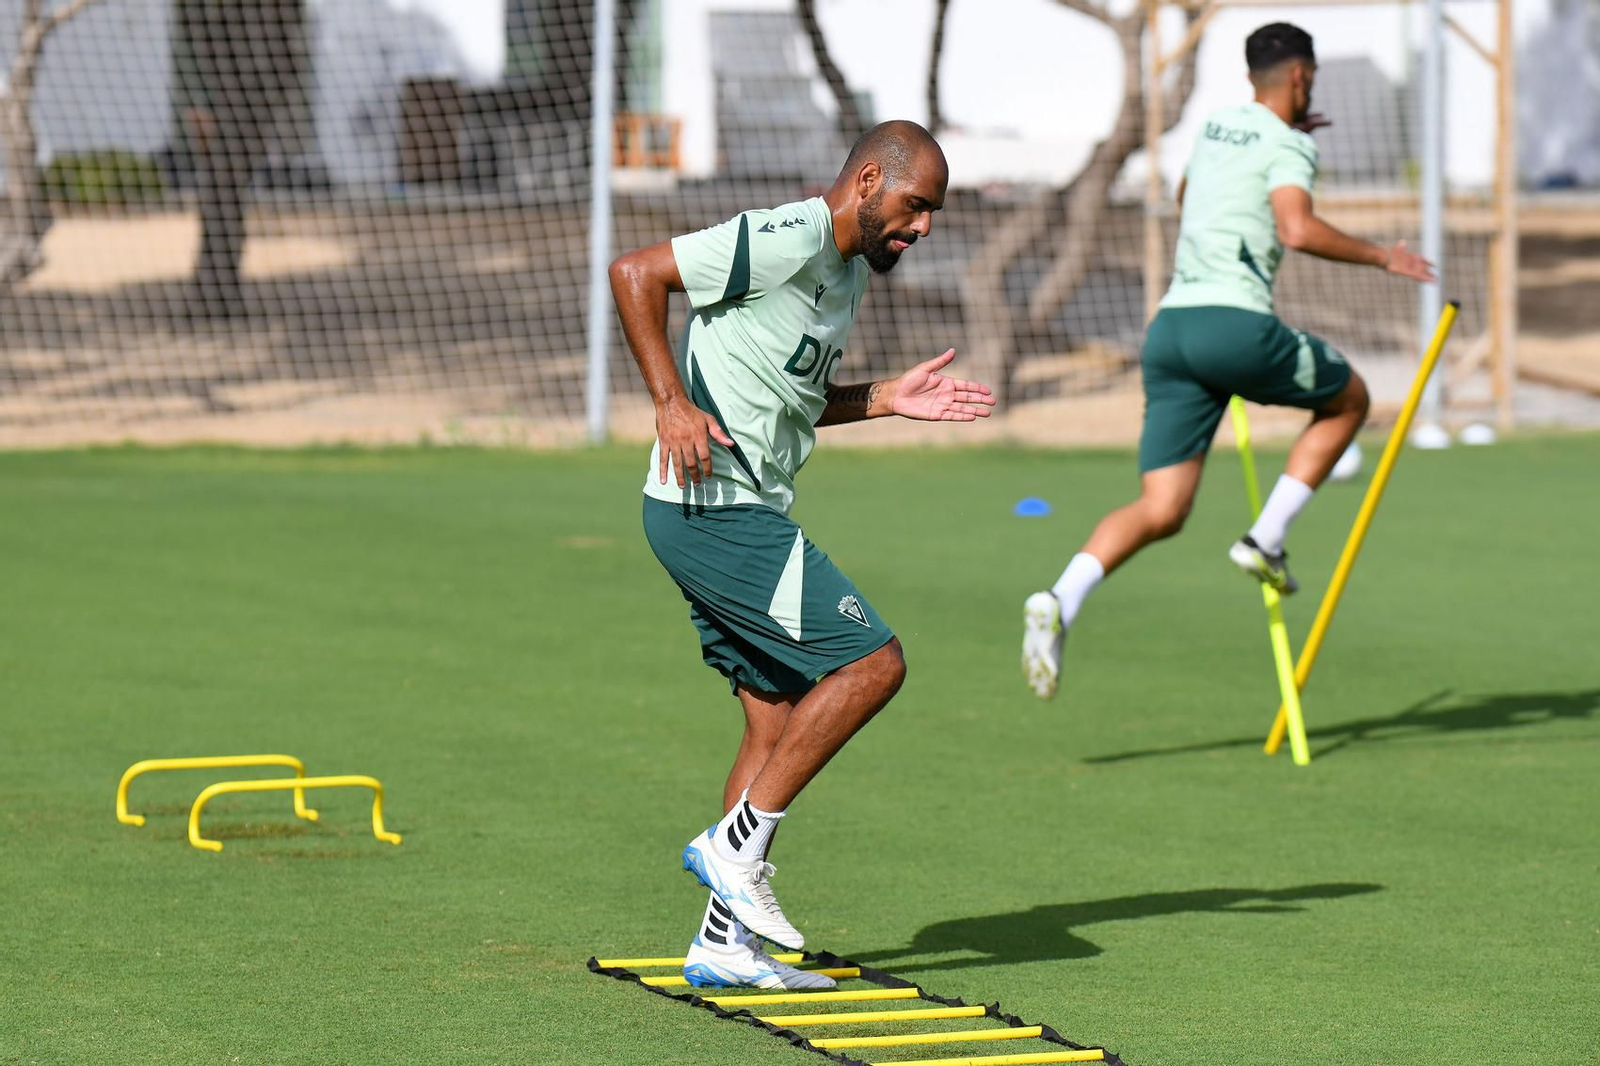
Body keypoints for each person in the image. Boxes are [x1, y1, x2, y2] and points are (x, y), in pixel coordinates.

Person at [610, 120, 995, 988]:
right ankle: (735, 852)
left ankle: (720, 944)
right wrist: (669, 400)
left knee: (774, 721)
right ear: (866, 181)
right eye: (915, 205)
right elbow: (635, 272)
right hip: (716, 510)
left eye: (932, 212)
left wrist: (887, 399)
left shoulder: (848, 274)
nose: (922, 226)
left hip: (730, 509)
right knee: (873, 663)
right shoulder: (786, 236)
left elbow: (794, 400)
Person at [1022, 22, 1436, 700]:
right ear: (1301, 78)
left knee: (1163, 506)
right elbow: (1295, 229)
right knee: (1350, 399)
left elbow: (1190, 199)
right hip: (1232, 325)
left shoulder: (1217, 126)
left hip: (1171, 330)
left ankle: (1059, 599)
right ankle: (1265, 541)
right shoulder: (1291, 143)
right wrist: (1383, 255)